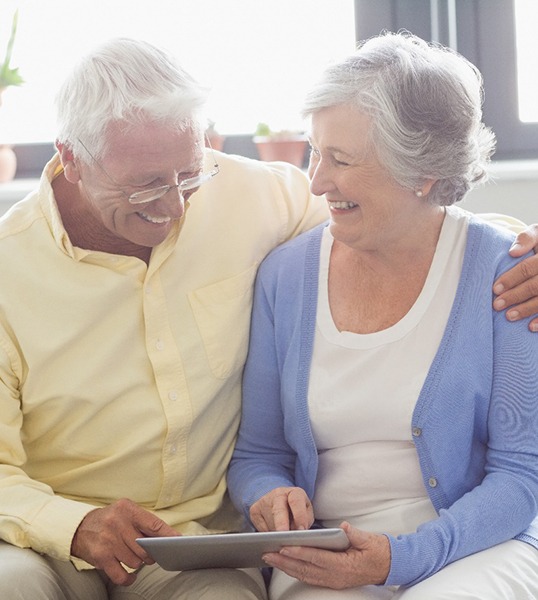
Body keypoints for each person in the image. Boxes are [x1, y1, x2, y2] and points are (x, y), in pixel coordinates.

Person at [0, 35, 535, 600]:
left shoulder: (252, 197)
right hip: (46, 537)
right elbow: (262, 453)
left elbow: (414, 220)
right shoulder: (10, 268)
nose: (174, 208)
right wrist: (72, 525)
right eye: (145, 185)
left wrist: (522, 252)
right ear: (72, 158)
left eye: (187, 174)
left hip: (195, 540)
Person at [227, 32, 538, 599]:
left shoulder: (508, 273)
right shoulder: (285, 276)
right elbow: (258, 455)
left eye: (340, 160)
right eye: (315, 152)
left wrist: (402, 558)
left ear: (422, 172)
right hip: (328, 557)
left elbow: (522, 475)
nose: (317, 181)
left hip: (478, 546)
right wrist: (267, 496)